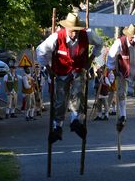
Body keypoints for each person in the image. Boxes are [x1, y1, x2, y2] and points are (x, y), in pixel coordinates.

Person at [36, 12, 103, 143]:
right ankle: (57, 127)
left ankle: (75, 120)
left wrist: (90, 59)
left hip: (78, 68)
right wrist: (48, 69)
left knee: (78, 93)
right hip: (61, 70)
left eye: (77, 31)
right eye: (72, 31)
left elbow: (100, 43)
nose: (75, 34)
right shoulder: (56, 37)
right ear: (66, 28)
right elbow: (41, 51)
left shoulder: (87, 34)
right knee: (61, 99)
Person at [106, 24, 135, 131]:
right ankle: (123, 116)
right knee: (121, 93)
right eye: (132, 37)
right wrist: (111, 70)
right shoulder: (120, 43)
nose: (133, 39)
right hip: (123, 71)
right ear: (128, 36)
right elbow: (111, 56)